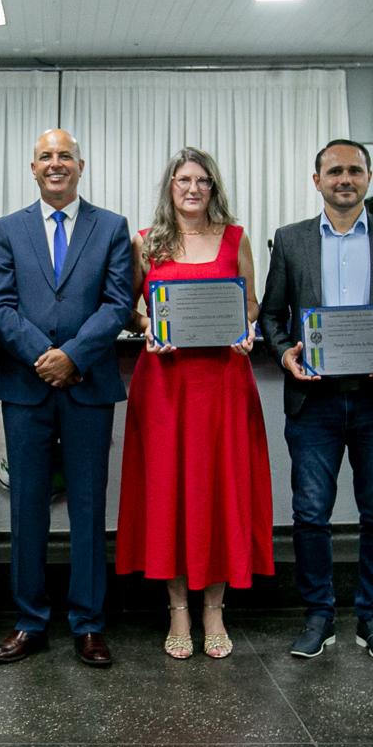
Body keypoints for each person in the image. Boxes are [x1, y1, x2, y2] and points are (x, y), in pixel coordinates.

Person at [258, 139, 373, 663]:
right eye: (334, 171)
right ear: (317, 180)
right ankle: (319, 617)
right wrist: (286, 352)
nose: (345, 179)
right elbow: (271, 316)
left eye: (355, 170)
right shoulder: (290, 240)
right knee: (311, 514)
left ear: (369, 177)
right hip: (314, 403)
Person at [0, 128, 131, 667]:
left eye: (64, 155)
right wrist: (44, 355)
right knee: (26, 509)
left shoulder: (111, 227)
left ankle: (88, 623)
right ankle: (29, 621)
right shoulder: (9, 229)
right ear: (32, 166)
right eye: (45, 156)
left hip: (89, 385)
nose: (55, 163)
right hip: (26, 387)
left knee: (90, 509)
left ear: (81, 165)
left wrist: (73, 355)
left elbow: (118, 303)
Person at [115, 148, 272, 660]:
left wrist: (247, 327)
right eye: (183, 180)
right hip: (165, 384)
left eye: (202, 181)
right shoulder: (147, 243)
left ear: (214, 188)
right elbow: (131, 311)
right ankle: (178, 609)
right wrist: (147, 331)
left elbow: (249, 302)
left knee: (219, 490)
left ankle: (214, 610)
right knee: (169, 493)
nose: (192, 189)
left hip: (223, 383)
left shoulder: (236, 238)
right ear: (170, 186)